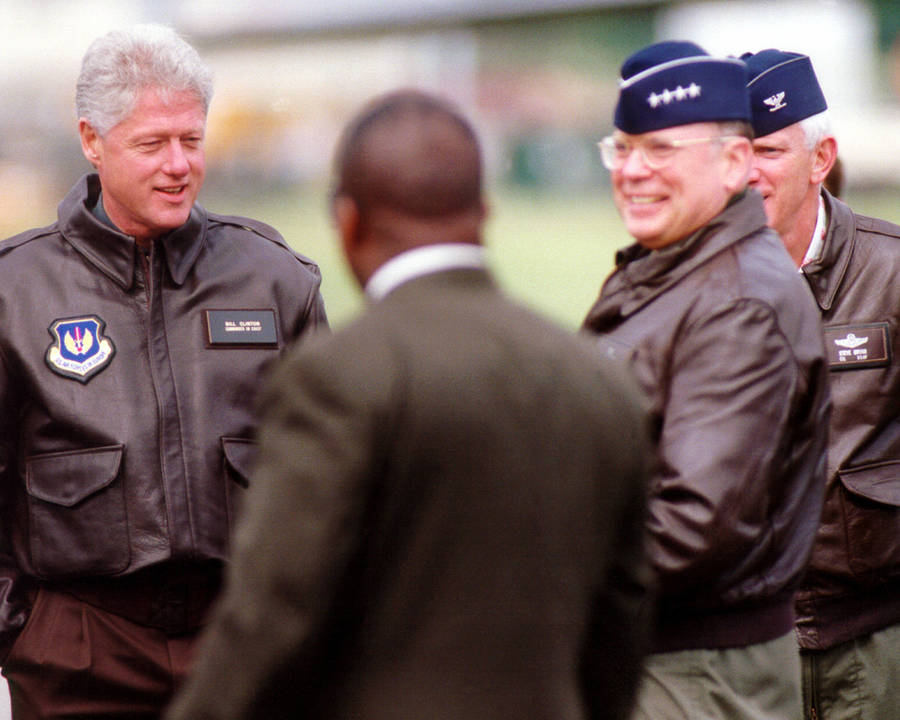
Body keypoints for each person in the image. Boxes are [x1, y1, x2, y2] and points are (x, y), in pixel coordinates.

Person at [165, 88, 654, 720]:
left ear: (349, 220)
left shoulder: (338, 377)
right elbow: (622, 616)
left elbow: (275, 611)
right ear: (483, 211)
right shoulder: (597, 378)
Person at [0, 24, 327, 719]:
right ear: (92, 140)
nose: (178, 165)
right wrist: (23, 627)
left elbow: (329, 479)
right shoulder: (14, 294)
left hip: (241, 646)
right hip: (77, 654)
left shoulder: (274, 281)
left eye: (192, 140)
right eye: (152, 144)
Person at [582, 41, 830, 719]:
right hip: (656, 657)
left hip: (698, 675)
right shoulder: (669, 269)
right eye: (623, 148)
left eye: (661, 151)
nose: (633, 171)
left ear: (733, 163)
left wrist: (540, 559)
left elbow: (696, 526)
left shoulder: (735, 301)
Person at [743, 48, 900, 720]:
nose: (748, 174)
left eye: (770, 152)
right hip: (744, 650)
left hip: (878, 640)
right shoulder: (683, 286)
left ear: (821, 157)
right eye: (733, 154)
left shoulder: (892, 273)